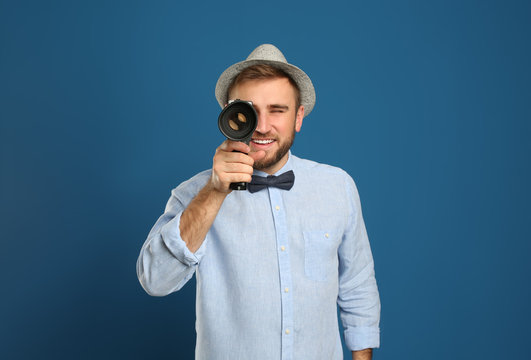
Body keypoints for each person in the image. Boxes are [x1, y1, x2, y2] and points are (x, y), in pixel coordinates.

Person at [137, 44, 380, 360]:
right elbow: (155, 281)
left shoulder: (338, 187)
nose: (262, 127)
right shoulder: (194, 193)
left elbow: (357, 289)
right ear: (229, 115)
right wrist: (214, 192)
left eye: (277, 110)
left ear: (298, 117)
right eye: (249, 110)